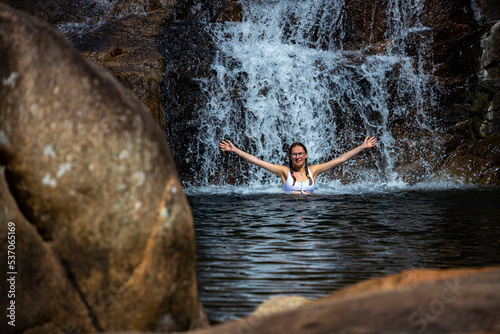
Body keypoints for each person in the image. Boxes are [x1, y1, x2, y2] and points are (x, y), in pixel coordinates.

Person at [219, 136, 378, 194]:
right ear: (290, 156)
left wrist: (362, 147)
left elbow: (340, 160)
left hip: (309, 212)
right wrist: (235, 150)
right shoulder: (283, 172)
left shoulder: (313, 171)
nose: (298, 156)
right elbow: (258, 162)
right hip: (288, 212)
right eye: (294, 154)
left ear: (306, 155)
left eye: (301, 153)